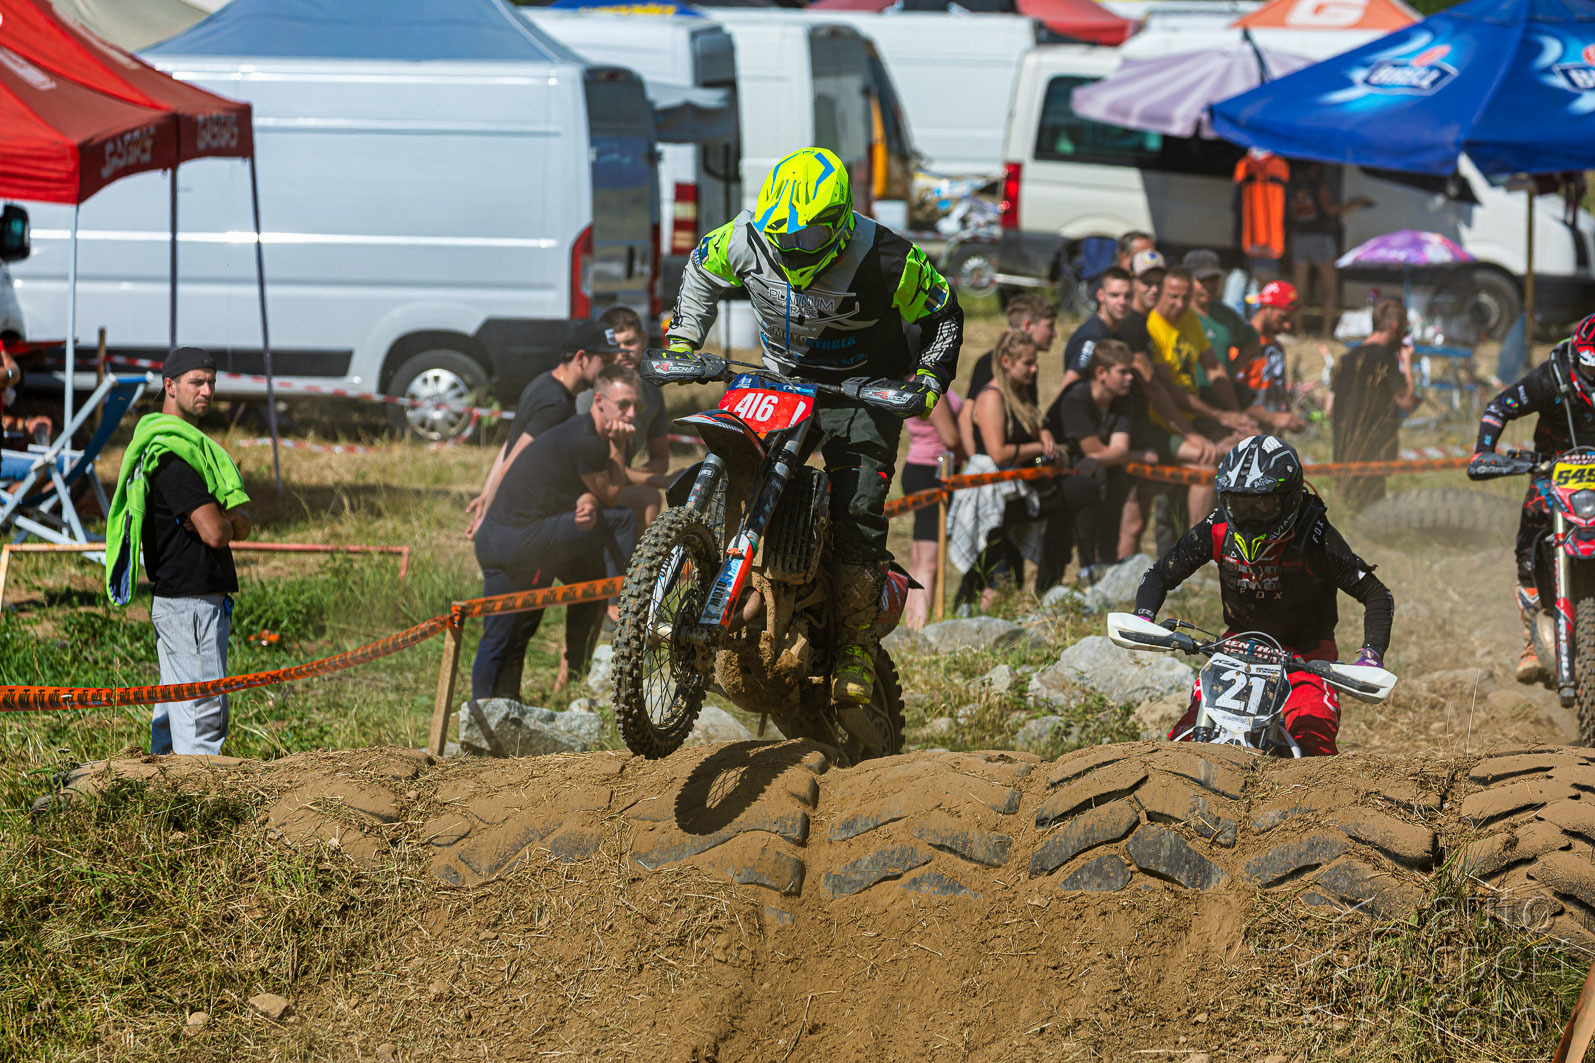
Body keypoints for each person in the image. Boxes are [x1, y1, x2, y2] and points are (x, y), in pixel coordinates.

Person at [665, 146, 963, 704]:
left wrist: (927, 379)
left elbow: (945, 315)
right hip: (780, 380)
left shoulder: (887, 256)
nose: (794, 246)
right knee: (732, 467)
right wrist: (682, 340)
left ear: (841, 220)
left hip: (862, 388)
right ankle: (702, 582)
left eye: (810, 235)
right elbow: (701, 270)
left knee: (857, 507)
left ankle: (854, 645)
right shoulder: (745, 237)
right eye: (783, 235)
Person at [1134, 435, 1395, 757]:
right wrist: (1143, 616)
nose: (1250, 517)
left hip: (1308, 658)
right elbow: (1160, 574)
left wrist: (1371, 655)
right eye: (1240, 504)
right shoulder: (1217, 528)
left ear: (1289, 499)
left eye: (1262, 504)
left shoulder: (1314, 536)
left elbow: (1376, 594)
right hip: (1237, 649)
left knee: (1315, 746)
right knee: (1186, 739)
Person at [470, 364, 659, 700]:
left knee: (511, 633)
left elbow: (574, 485)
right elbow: (612, 494)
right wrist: (618, 443)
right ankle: (621, 600)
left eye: (637, 406)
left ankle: (501, 708)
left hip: (500, 536)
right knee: (621, 519)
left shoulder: (580, 431)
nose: (631, 414)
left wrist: (587, 499)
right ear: (598, 401)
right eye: (623, 405)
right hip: (518, 540)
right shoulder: (589, 439)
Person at [103, 346, 252, 755]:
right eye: (196, 382)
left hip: (182, 603)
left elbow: (230, 523)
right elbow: (217, 532)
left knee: (171, 722)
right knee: (201, 721)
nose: (206, 391)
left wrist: (226, 518)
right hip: (191, 604)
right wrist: (229, 518)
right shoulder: (174, 457)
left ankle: (160, 793)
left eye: (211, 382)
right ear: (170, 386)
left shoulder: (175, 449)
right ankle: (200, 796)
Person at [1468, 313, 1595, 684]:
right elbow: (1499, 407)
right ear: (1577, 357)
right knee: (1529, 541)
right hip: (1553, 467)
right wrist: (1484, 451)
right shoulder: (1550, 377)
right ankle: (1532, 639)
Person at [465, 321, 619, 539]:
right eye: (605, 362)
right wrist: (486, 522)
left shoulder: (544, 382)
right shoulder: (555, 405)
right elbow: (511, 465)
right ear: (582, 358)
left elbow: (510, 443)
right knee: (624, 515)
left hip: (528, 511)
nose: (611, 371)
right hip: (527, 519)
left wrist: (485, 495)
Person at [950, 329, 1054, 609]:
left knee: (1011, 574)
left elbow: (1033, 425)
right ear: (1006, 361)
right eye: (1027, 363)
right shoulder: (992, 397)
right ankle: (969, 620)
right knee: (992, 571)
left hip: (1011, 497)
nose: (1034, 369)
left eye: (1035, 363)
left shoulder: (1019, 395)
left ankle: (983, 619)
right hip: (988, 496)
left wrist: (1044, 434)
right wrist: (1040, 448)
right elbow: (998, 452)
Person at [1046, 339, 1157, 582]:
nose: (1130, 378)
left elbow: (1117, 450)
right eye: (1123, 372)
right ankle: (1084, 570)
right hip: (1056, 476)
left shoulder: (1123, 399)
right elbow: (1093, 450)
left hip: (1095, 471)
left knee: (1113, 476)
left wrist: (1111, 456)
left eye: (1130, 371)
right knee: (1092, 484)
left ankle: (1106, 562)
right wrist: (1137, 456)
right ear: (1101, 373)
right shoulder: (1076, 398)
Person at [576, 306, 676, 528]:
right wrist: (659, 480)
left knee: (648, 496)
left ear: (643, 340)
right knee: (649, 497)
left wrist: (629, 476)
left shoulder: (652, 392)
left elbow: (661, 459)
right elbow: (594, 466)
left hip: (613, 482)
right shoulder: (590, 393)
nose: (623, 351)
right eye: (616, 345)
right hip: (582, 487)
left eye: (629, 343)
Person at [1332, 297, 1419, 511]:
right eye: (1405, 330)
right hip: (1373, 454)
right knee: (1371, 514)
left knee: (1348, 513)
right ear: (1395, 327)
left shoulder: (1346, 359)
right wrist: (1407, 363)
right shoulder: (1385, 358)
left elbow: (1328, 408)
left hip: (1343, 453)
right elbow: (1407, 402)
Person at [901, 387, 965, 629]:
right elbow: (951, 438)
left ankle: (912, 622)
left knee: (919, 556)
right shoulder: (931, 387)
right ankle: (919, 626)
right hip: (932, 472)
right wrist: (974, 453)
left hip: (920, 468)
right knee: (929, 560)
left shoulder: (912, 382)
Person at [1287, 160, 1371, 338]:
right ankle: (1326, 332)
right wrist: (1357, 203)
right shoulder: (1320, 185)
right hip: (1320, 239)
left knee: (1298, 290)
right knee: (1330, 290)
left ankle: (1298, 331)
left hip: (1300, 237)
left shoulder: (1295, 185)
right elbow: (1330, 209)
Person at [1234, 280, 1308, 434]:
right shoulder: (1240, 345)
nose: (1287, 326)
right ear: (1266, 308)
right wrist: (1273, 418)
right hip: (1244, 435)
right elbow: (1228, 399)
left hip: (1271, 436)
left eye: (1290, 319)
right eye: (1282, 318)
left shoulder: (1276, 347)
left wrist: (1288, 418)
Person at [964, 293, 1056, 402]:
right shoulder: (990, 363)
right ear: (1028, 326)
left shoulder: (1030, 367)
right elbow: (969, 410)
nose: (1054, 334)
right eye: (1050, 326)